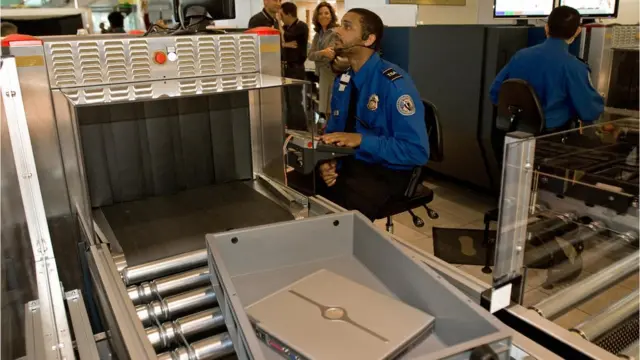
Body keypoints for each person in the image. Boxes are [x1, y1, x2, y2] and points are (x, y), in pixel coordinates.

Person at [318, 8, 429, 221]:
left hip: (386, 169)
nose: (337, 31)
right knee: (300, 187)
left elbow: (416, 152)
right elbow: (333, 133)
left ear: (368, 40)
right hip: (351, 163)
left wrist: (361, 140)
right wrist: (327, 160)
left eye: (347, 26)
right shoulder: (343, 81)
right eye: (340, 24)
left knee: (337, 213)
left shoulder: (394, 85)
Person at [489, 6, 604, 132]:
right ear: (577, 31)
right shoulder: (575, 67)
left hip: (514, 132)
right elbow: (590, 112)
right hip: (551, 138)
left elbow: (495, 93)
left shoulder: (520, 56)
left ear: (546, 28)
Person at [307, 2, 348, 120]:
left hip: (333, 74)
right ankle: (328, 131)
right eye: (320, 13)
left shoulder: (335, 32)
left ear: (331, 15)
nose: (323, 16)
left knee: (332, 108)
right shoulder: (318, 35)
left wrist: (318, 55)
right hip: (322, 75)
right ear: (317, 17)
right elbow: (310, 55)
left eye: (326, 13)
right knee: (325, 109)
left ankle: (333, 133)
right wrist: (322, 53)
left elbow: (330, 55)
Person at [279, 2, 309, 131]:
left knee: (295, 101)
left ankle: (301, 130)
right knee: (288, 102)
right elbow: (283, 42)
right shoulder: (287, 28)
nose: (280, 18)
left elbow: (288, 38)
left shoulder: (301, 27)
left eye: (281, 15)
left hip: (296, 69)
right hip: (286, 69)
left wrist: (283, 38)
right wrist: (285, 44)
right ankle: (291, 129)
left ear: (288, 14)